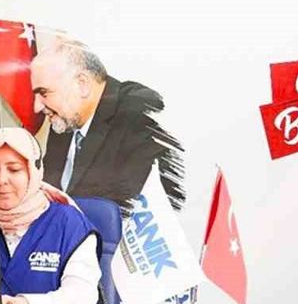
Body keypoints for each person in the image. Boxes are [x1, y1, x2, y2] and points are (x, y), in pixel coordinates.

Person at [31, 40, 185, 209]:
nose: (36, 107)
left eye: (44, 93)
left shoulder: (139, 115)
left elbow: (129, 209)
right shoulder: (64, 120)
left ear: (82, 85)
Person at [0, 127, 101, 304]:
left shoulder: (69, 224)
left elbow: (81, 297)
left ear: (34, 171)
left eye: (14, 169)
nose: (1, 180)